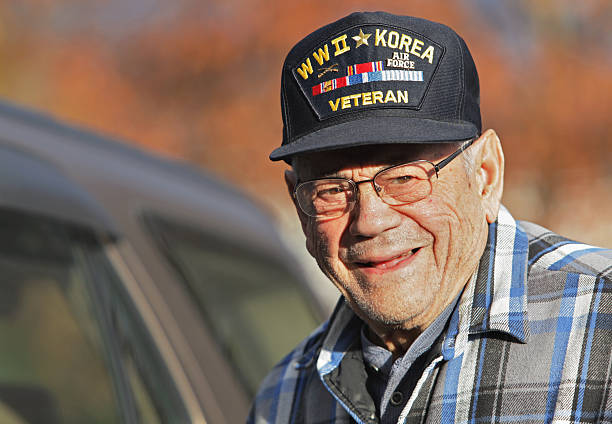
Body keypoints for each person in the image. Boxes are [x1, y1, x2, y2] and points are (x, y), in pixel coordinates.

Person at [248, 11, 612, 424]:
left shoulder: (602, 325)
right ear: (298, 206)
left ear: (485, 176)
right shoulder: (283, 401)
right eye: (331, 189)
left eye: (405, 177)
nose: (370, 220)